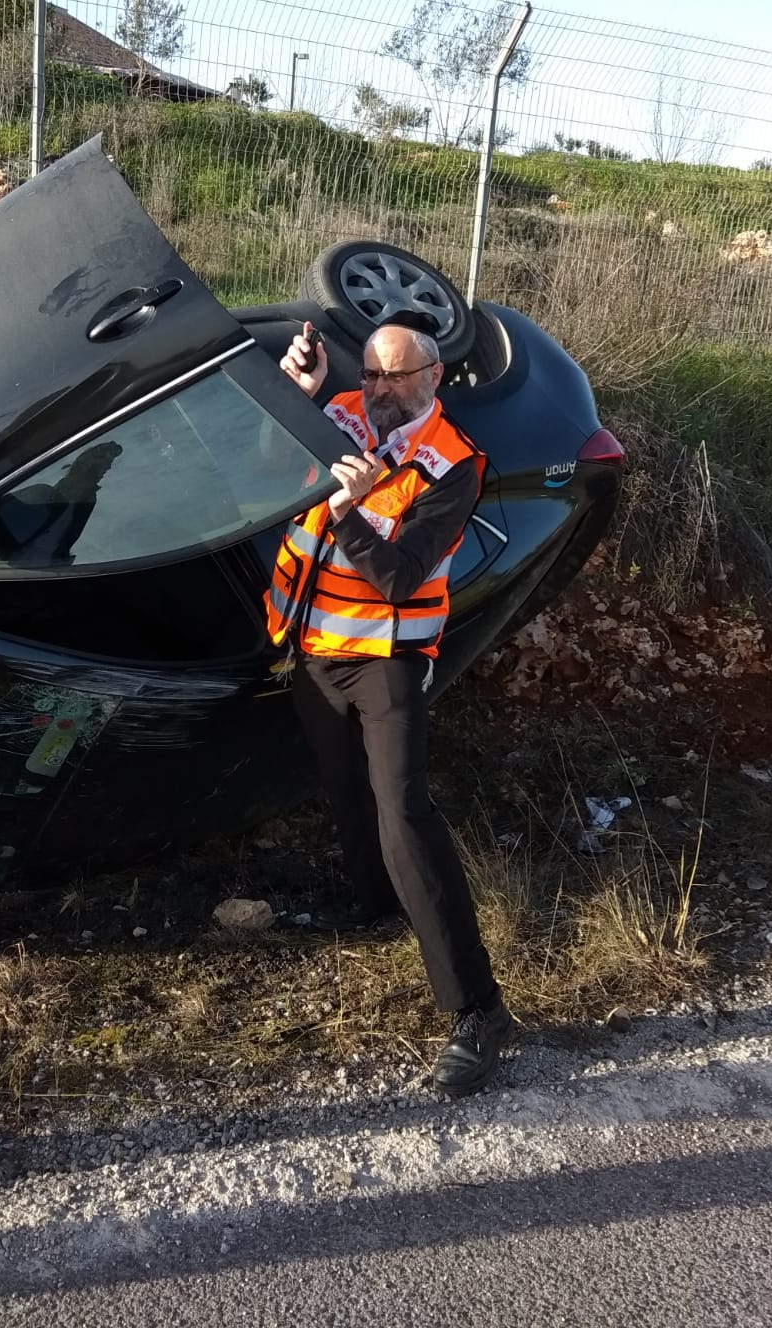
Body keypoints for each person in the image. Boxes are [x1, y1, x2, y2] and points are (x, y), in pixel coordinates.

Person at [267, 311, 515, 1096]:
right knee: (346, 794)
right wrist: (288, 399)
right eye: (369, 374)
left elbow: (402, 576)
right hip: (311, 651)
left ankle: (479, 1011)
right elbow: (261, 469)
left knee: (405, 814)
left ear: (432, 379)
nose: (375, 390)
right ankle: (376, 908)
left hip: (387, 664)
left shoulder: (453, 463)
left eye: (393, 377)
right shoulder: (338, 414)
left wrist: (347, 514)